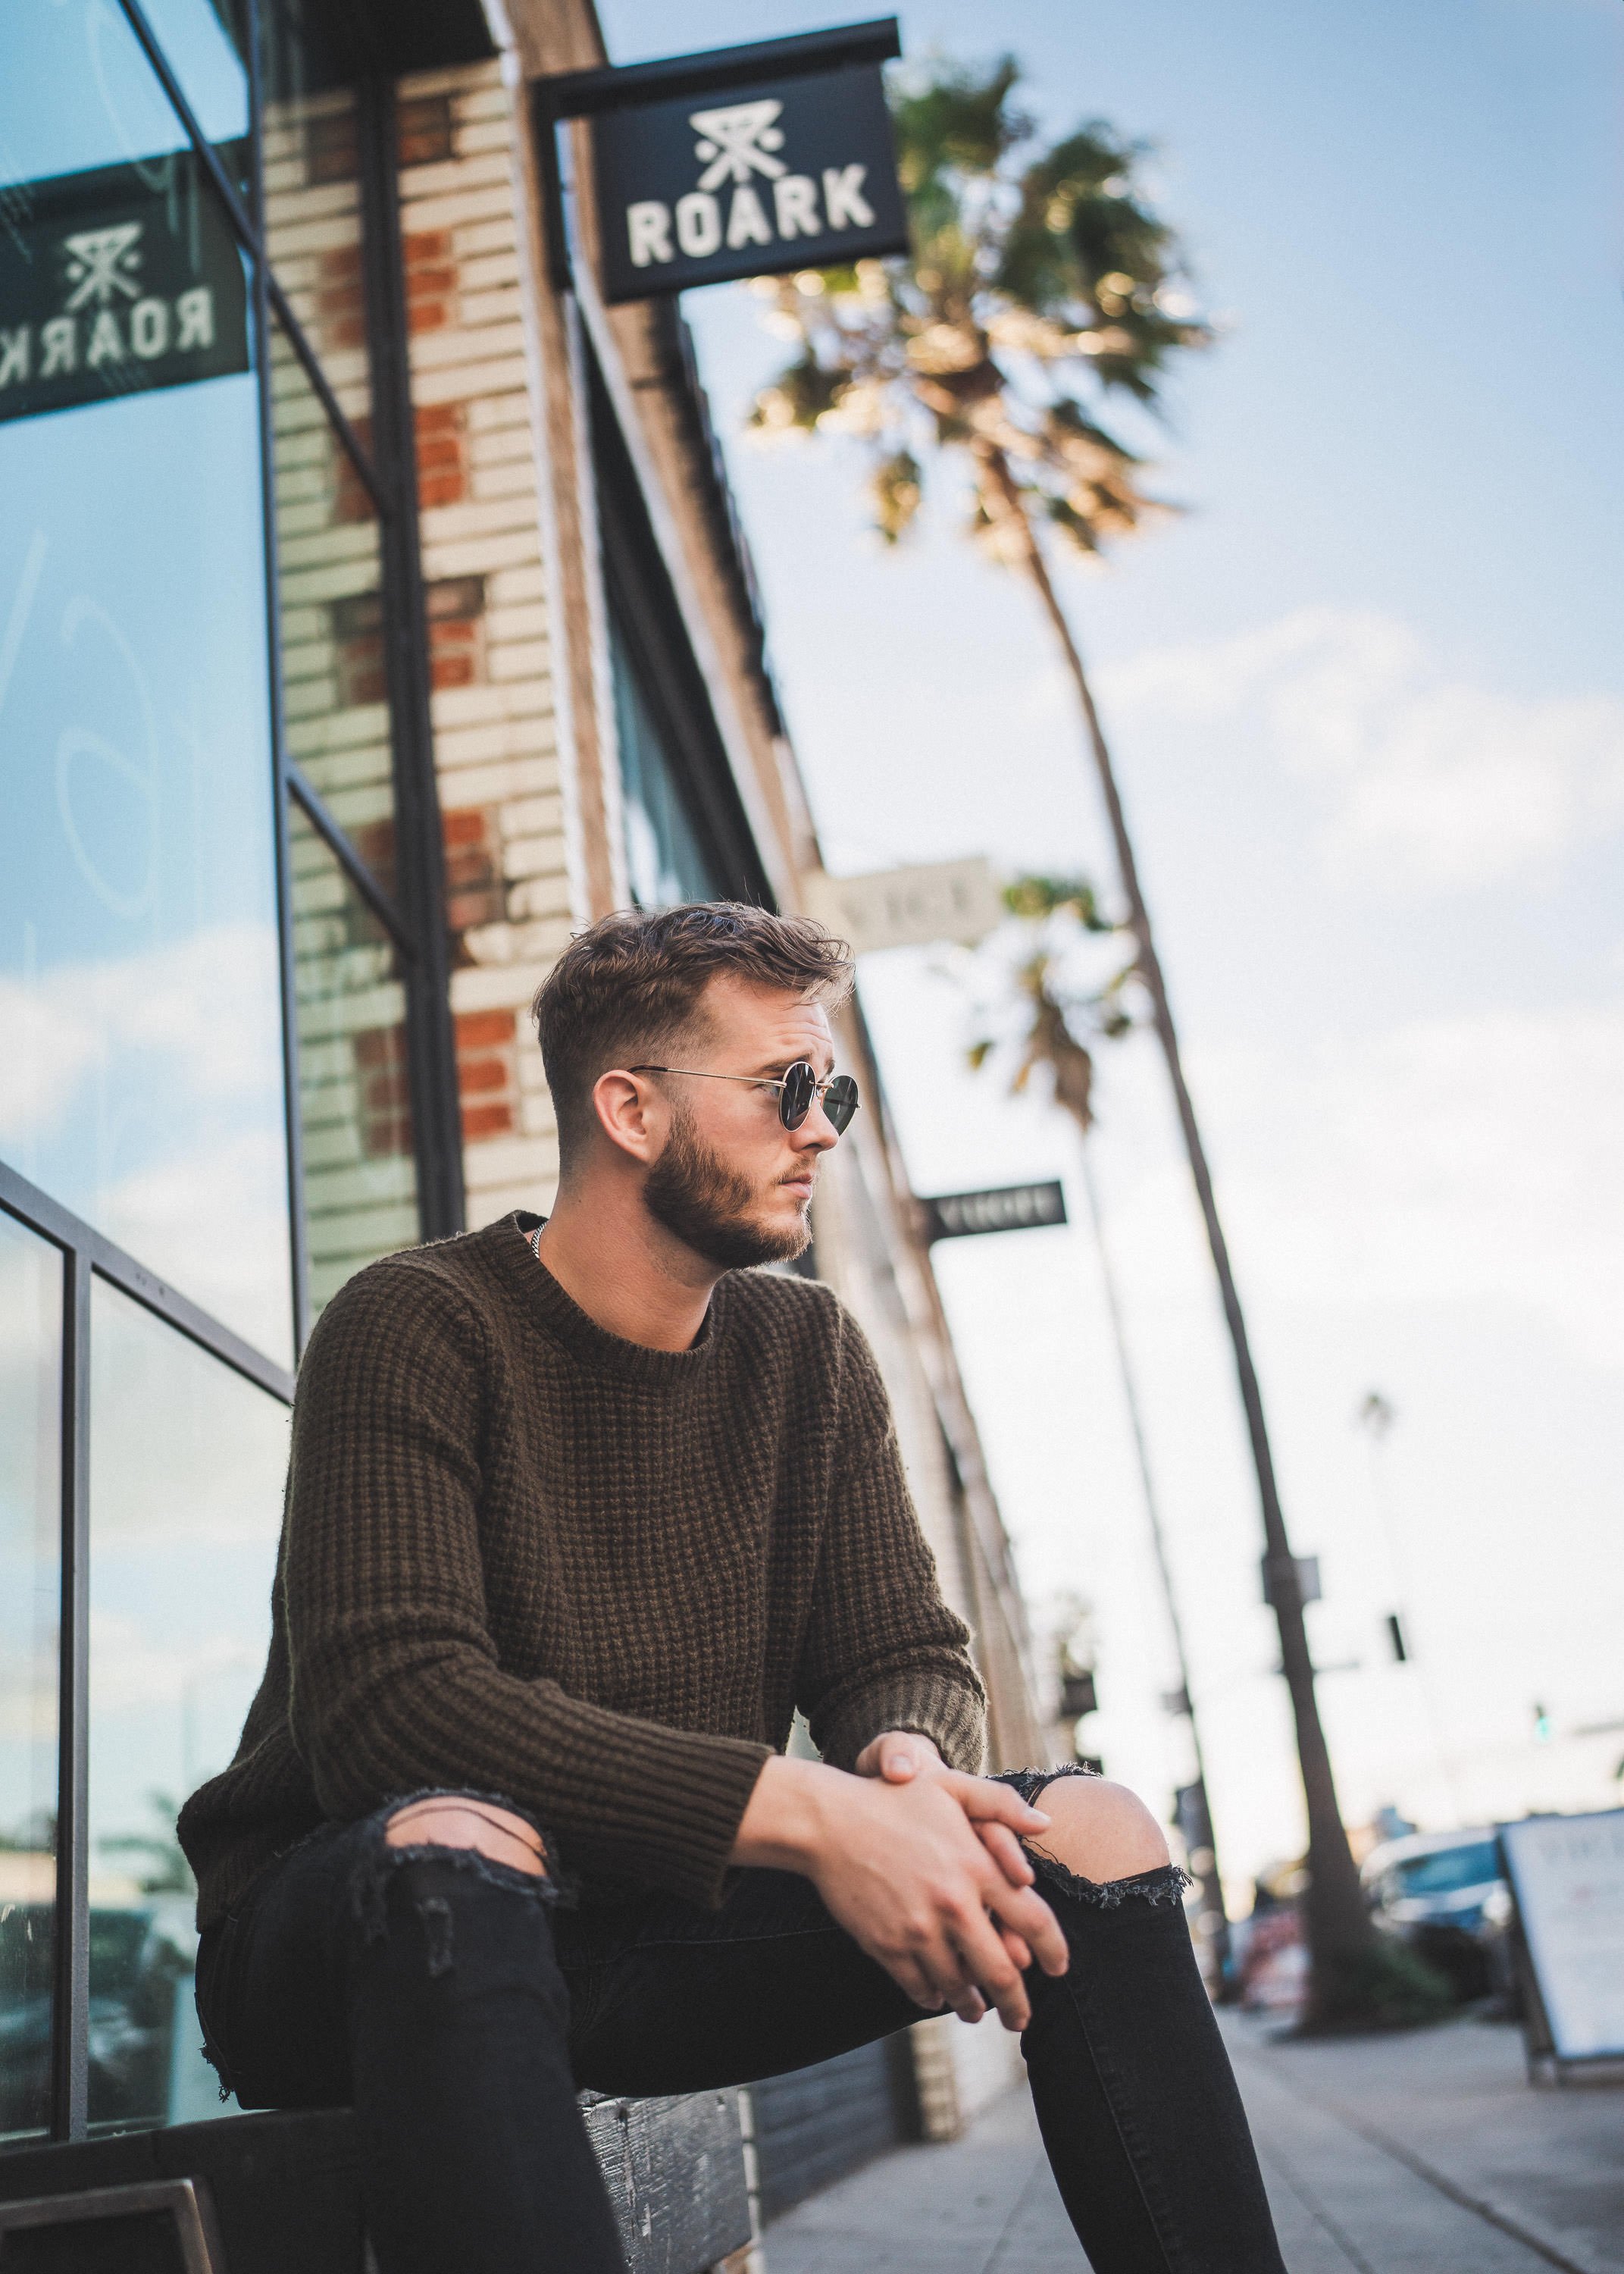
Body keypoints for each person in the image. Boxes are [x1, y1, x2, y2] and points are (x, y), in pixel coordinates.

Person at [178, 902, 1284, 2274]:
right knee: (458, 1838)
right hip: (364, 1934)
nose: (822, 1127)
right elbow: (396, 1715)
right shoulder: (416, 1322)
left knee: (1095, 1833)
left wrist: (904, 1771)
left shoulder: (807, 1350)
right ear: (632, 1108)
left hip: (651, 1931)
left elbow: (905, 1649)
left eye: (837, 1093)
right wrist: (813, 1818)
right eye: (786, 1090)